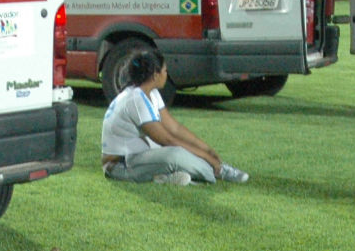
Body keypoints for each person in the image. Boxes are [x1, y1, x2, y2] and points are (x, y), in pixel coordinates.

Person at [101, 53, 247, 185]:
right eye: (164, 71)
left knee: (178, 152)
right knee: (175, 154)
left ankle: (163, 177)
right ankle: (218, 170)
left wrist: (206, 149)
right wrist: (206, 157)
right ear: (155, 75)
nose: (166, 74)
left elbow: (174, 128)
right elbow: (167, 140)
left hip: (136, 156)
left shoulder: (150, 93)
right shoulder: (136, 99)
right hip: (119, 165)